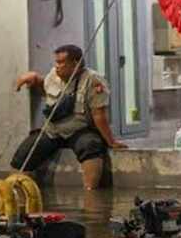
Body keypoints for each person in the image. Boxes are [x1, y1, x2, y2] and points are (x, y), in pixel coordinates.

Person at [11, 44, 126, 190]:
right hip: (53, 130)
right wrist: (35, 79)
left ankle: (91, 194)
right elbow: (46, 90)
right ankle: (17, 193)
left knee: (90, 146)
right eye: (56, 62)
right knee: (25, 153)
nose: (57, 66)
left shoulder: (93, 80)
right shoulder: (53, 75)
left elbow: (99, 114)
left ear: (75, 63)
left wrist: (111, 141)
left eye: (61, 63)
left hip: (80, 129)